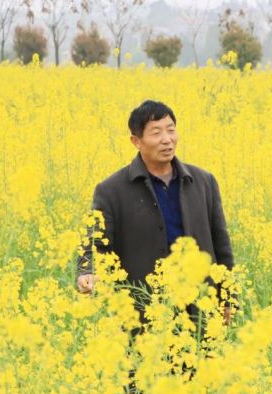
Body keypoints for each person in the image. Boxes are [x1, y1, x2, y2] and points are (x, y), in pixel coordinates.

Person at [76, 100, 234, 319]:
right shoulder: (111, 190)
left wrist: (227, 298)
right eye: (156, 133)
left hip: (200, 308)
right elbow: (95, 244)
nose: (167, 140)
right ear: (136, 141)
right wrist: (87, 272)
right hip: (143, 310)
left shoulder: (203, 182)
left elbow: (221, 246)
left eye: (171, 130)